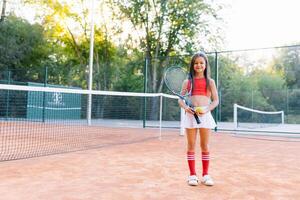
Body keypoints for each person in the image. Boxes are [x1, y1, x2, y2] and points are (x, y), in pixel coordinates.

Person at [178, 52, 219, 186]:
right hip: (190, 115)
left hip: (205, 116)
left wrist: (207, 109)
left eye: (201, 63)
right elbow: (180, 99)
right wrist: (185, 107)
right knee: (191, 145)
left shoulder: (210, 82)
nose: (199, 65)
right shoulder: (187, 82)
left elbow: (216, 101)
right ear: (192, 65)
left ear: (206, 65)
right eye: (196, 63)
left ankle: (206, 175)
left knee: (204, 145)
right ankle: (192, 175)